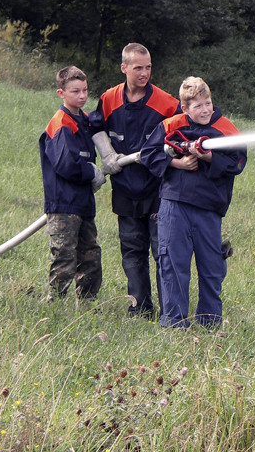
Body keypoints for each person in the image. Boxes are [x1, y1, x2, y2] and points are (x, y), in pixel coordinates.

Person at [139, 77, 247, 329]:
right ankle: (174, 322)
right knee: (173, 265)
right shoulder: (170, 125)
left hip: (209, 209)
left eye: (208, 103)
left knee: (211, 267)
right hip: (173, 206)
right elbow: (148, 155)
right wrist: (177, 163)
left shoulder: (226, 128)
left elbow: (238, 163)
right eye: (197, 106)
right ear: (184, 108)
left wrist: (209, 157)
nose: (205, 110)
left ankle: (210, 322)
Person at [89, 43, 180, 319]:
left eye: (148, 67)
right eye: (138, 67)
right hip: (124, 190)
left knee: (161, 252)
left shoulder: (166, 103)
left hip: (157, 190)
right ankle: (139, 308)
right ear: (124, 68)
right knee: (131, 252)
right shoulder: (109, 99)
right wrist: (107, 154)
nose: (144, 73)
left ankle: (170, 310)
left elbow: (182, 133)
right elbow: (95, 126)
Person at [39, 66, 107, 303]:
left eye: (85, 90)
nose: (82, 96)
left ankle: (87, 304)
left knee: (90, 255)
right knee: (64, 257)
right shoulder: (60, 124)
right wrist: (91, 172)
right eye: (75, 91)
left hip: (84, 202)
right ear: (61, 93)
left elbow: (101, 127)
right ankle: (54, 304)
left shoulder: (85, 121)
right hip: (63, 204)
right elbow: (65, 164)